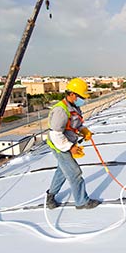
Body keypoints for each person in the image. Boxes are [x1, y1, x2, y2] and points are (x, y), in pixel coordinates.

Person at [45, 78, 100, 210]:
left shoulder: (74, 107)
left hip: (67, 143)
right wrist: (71, 147)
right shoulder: (61, 111)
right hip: (59, 146)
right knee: (75, 172)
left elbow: (75, 124)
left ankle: (50, 196)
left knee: (63, 171)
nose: (83, 99)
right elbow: (56, 134)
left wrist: (83, 130)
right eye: (81, 96)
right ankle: (82, 202)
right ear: (72, 94)